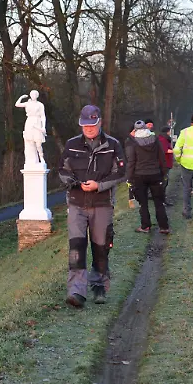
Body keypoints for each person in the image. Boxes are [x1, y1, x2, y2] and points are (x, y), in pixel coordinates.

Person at [56, 104, 125, 308]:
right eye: (85, 126)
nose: (88, 129)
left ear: (100, 123)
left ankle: (99, 286)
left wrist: (99, 185)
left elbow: (121, 173)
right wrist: (74, 183)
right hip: (77, 203)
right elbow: (62, 170)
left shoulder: (113, 145)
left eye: (92, 125)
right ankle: (76, 291)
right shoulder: (71, 144)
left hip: (102, 203)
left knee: (101, 247)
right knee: (76, 247)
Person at [125, 120, 171, 235]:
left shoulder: (134, 143)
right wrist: (163, 172)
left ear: (135, 131)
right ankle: (164, 227)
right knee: (159, 202)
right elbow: (162, 157)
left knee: (143, 203)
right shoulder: (155, 140)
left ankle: (145, 226)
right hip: (155, 174)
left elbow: (131, 162)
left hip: (139, 176)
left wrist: (129, 178)